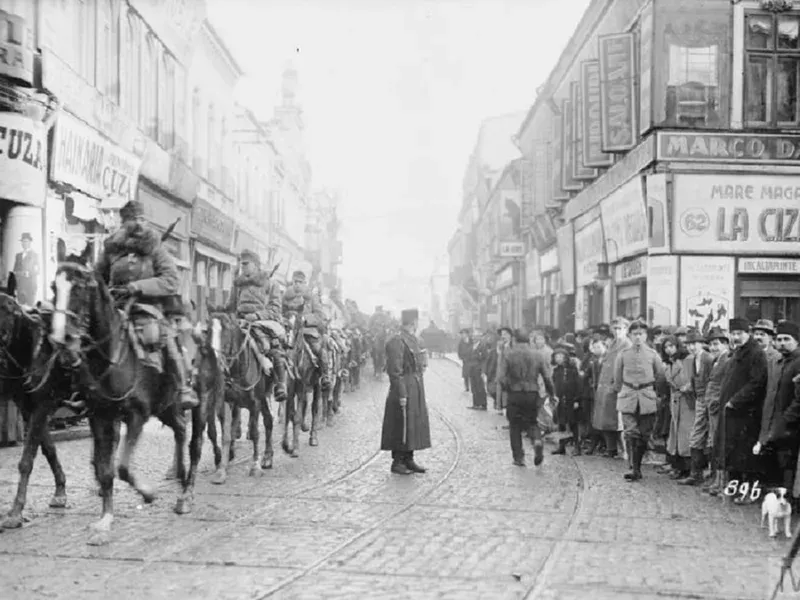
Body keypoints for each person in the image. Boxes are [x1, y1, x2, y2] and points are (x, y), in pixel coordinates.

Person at [95, 200, 198, 410]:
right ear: (124, 224)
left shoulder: (156, 249)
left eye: (143, 219)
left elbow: (171, 280)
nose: (140, 224)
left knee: (162, 336)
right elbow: (97, 278)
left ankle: (182, 388)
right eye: (134, 220)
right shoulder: (112, 250)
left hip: (149, 308)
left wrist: (137, 286)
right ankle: (88, 389)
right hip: (116, 307)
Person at [225, 249, 288, 401]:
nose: (243, 267)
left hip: (263, 322)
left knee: (271, 346)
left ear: (256, 265)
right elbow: (231, 306)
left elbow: (275, 308)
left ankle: (280, 384)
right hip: (240, 321)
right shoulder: (238, 284)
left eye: (246, 264)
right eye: (241, 264)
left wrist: (257, 316)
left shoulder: (271, 284)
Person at [716, 317, 767, 505]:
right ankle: (733, 488)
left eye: (740, 333)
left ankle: (748, 492)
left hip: (746, 413)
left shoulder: (756, 353)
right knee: (733, 453)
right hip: (733, 412)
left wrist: (735, 401)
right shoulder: (738, 351)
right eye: (733, 333)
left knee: (746, 455)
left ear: (748, 333)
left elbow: (757, 382)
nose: (736, 337)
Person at [380, 308, 431, 474]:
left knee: (413, 424)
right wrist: (401, 393)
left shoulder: (413, 339)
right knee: (401, 424)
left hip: (415, 385)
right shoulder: (397, 340)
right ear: (413, 322)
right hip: (404, 386)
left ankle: (409, 458)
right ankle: (398, 461)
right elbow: (395, 370)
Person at [614, 320, 666, 481]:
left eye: (641, 334)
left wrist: (656, 394)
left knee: (644, 434)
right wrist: (623, 391)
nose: (637, 337)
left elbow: (661, 376)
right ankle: (635, 468)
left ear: (645, 336)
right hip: (628, 395)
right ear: (630, 335)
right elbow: (617, 378)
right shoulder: (623, 354)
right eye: (635, 334)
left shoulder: (653, 355)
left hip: (647, 397)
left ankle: (636, 464)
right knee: (631, 432)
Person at [500, 328, 554, 467]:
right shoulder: (537, 355)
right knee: (532, 422)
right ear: (529, 340)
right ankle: (537, 440)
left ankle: (519, 457)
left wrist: (509, 389)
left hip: (515, 393)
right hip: (532, 393)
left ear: (514, 339)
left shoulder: (508, 354)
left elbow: (501, 378)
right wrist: (552, 393)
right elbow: (547, 377)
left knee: (515, 426)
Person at [678, 331, 716, 485]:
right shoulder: (694, 359)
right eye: (688, 344)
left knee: (708, 436)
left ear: (701, 344)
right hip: (700, 400)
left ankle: (708, 475)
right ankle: (696, 474)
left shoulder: (708, 358)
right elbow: (695, 379)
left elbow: (711, 381)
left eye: (694, 344)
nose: (691, 347)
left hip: (709, 400)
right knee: (697, 435)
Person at [282, 270, 330, 389]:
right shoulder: (286, 297)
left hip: (308, 332)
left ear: (305, 283)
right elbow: (280, 312)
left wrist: (305, 319)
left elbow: (320, 316)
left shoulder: (312, 298)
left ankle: (324, 375)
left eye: (300, 282)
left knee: (319, 350)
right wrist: (286, 318)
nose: (297, 284)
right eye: (295, 282)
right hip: (290, 331)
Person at [551, 343, 582, 456]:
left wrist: (576, 400)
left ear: (565, 357)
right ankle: (561, 446)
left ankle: (577, 447)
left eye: (560, 356)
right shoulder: (556, 371)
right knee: (561, 423)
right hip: (560, 400)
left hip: (571, 400)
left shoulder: (572, 370)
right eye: (556, 356)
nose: (558, 359)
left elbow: (578, 386)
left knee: (573, 424)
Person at [13, 232, 39, 306]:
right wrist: (19, 274)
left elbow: (37, 270)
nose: (24, 243)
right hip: (20, 286)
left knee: (30, 307)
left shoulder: (35, 255)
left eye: (26, 241)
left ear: (30, 242)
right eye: (23, 241)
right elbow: (15, 270)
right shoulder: (18, 255)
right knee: (20, 308)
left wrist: (29, 273)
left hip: (30, 286)